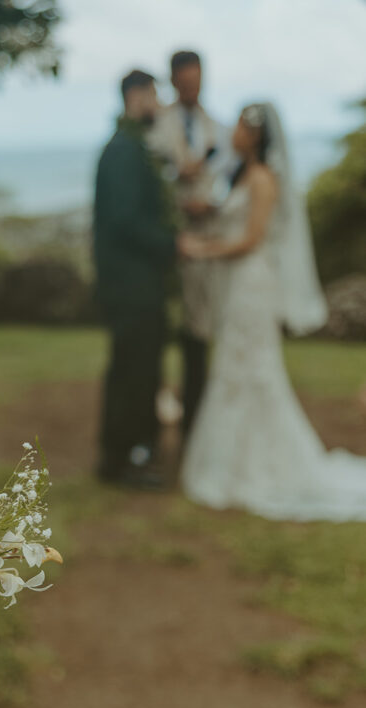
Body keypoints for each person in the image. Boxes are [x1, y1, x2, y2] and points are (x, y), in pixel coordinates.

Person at [180, 102, 366, 521]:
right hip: (235, 284)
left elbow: (252, 239)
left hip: (252, 284)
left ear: (257, 136)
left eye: (242, 126)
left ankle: (255, 468)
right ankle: (231, 465)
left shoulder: (263, 179)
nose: (234, 131)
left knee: (250, 370)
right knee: (235, 369)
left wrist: (202, 249)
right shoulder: (240, 174)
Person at [94, 69, 178, 489]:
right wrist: (172, 244)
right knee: (134, 372)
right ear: (136, 95)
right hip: (132, 285)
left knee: (134, 368)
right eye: (154, 95)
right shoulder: (125, 151)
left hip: (135, 283)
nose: (159, 104)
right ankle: (124, 459)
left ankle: (123, 457)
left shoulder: (128, 146)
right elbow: (126, 221)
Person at [148, 50, 231, 438]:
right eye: (184, 82)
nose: (191, 88)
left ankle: (196, 414)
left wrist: (210, 204)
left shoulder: (217, 127)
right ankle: (158, 402)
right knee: (159, 328)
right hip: (166, 243)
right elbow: (148, 180)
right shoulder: (156, 126)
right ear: (173, 81)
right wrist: (174, 180)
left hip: (206, 241)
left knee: (200, 330)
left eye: (197, 81)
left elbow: (230, 182)